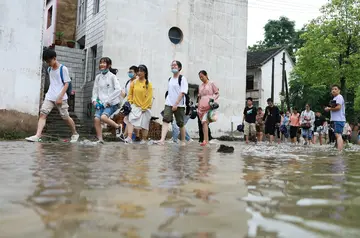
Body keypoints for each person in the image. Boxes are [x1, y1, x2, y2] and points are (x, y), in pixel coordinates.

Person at [25, 49, 79, 142]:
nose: (48, 63)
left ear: (54, 58)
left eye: (49, 61)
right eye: (46, 62)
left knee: (65, 117)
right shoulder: (49, 69)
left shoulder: (63, 69)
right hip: (50, 96)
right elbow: (53, 83)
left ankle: (75, 133)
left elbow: (67, 83)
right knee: (43, 114)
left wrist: (60, 97)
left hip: (61, 97)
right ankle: (37, 135)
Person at [156, 60, 189, 146]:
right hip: (169, 103)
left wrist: (176, 104)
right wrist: (169, 102)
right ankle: (162, 139)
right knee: (166, 120)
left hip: (179, 105)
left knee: (180, 123)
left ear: (179, 68)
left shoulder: (182, 79)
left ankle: (183, 141)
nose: (173, 67)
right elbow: (170, 92)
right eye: (172, 65)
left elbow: (183, 92)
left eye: (175, 65)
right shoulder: (170, 79)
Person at [91, 57, 122, 143]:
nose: (102, 64)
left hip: (111, 103)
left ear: (109, 65)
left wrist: (108, 101)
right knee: (96, 119)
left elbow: (118, 90)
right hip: (100, 103)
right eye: (101, 63)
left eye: (104, 63)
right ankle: (100, 139)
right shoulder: (98, 77)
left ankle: (118, 127)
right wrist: (94, 101)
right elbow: (95, 90)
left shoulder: (112, 77)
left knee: (103, 117)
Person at [124, 65, 153, 144]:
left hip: (145, 107)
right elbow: (130, 93)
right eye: (138, 71)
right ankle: (129, 137)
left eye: (141, 71)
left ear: (145, 73)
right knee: (130, 120)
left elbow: (149, 97)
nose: (139, 73)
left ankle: (144, 139)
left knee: (144, 124)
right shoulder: (134, 82)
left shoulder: (148, 83)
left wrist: (144, 107)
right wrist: (130, 102)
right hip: (135, 106)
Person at [197, 70, 219, 146]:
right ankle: (206, 140)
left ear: (206, 75)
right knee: (203, 123)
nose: (201, 78)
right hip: (201, 106)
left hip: (209, 105)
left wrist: (213, 101)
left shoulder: (211, 83)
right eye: (200, 77)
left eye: (202, 77)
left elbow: (217, 93)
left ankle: (205, 140)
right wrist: (198, 106)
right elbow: (199, 96)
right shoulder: (200, 86)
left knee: (205, 122)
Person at [325, 85, 346, 151]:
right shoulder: (335, 98)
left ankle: (340, 151)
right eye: (332, 89)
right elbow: (334, 108)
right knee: (337, 135)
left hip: (339, 119)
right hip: (336, 120)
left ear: (339, 91)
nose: (333, 90)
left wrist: (329, 109)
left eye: (335, 89)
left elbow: (338, 107)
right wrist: (329, 108)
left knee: (338, 135)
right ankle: (338, 149)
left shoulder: (339, 97)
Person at [122, 66, 140, 140]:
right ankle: (137, 136)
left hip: (136, 104)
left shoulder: (138, 82)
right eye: (129, 72)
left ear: (136, 73)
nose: (129, 73)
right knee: (130, 120)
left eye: (131, 72)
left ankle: (125, 135)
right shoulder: (128, 82)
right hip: (129, 104)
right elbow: (124, 94)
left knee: (130, 120)